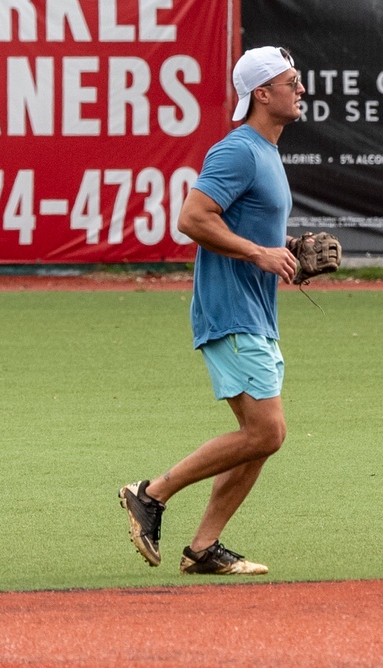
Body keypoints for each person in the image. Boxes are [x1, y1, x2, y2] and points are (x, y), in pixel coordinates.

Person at [119, 46, 304, 575]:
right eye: (291, 81)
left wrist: (283, 250)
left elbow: (244, 231)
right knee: (266, 432)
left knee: (258, 440)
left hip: (255, 311)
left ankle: (203, 548)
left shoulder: (266, 151)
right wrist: (258, 253)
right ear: (261, 94)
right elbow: (192, 218)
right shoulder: (239, 150)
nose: (301, 89)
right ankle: (150, 493)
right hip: (231, 311)